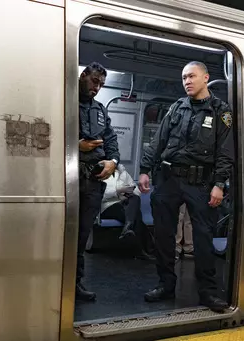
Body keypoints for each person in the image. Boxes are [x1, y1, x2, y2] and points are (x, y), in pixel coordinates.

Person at [138, 61, 234, 313]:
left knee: (202, 239)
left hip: (201, 182)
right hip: (169, 178)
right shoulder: (177, 107)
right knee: (163, 235)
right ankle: (166, 284)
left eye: (191, 76)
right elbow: (158, 140)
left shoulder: (220, 111)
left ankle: (208, 292)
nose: (187, 82)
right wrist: (145, 170)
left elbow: (226, 153)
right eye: (183, 78)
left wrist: (219, 184)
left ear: (205, 78)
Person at [77, 62, 120, 301]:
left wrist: (113, 161)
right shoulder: (63, 101)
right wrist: (76, 146)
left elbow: (110, 139)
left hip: (92, 180)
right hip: (68, 179)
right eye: (95, 81)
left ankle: (75, 283)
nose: (97, 87)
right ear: (83, 75)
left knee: (82, 235)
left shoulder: (101, 110)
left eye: (102, 84)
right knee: (63, 234)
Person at [99, 164, 156, 261]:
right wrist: (119, 192)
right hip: (108, 206)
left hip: (126, 203)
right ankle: (148, 249)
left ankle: (128, 226)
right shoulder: (100, 174)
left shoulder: (123, 173)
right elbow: (100, 196)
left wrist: (129, 193)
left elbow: (137, 191)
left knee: (134, 198)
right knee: (136, 216)